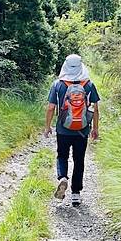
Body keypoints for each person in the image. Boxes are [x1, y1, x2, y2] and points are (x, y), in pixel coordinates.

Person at [44, 54, 100, 206]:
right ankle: (76, 194)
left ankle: (62, 177)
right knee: (79, 160)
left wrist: (47, 126)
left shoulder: (58, 84)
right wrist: (95, 128)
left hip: (63, 129)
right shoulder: (88, 84)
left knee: (62, 155)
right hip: (82, 129)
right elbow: (95, 108)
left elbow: (50, 108)